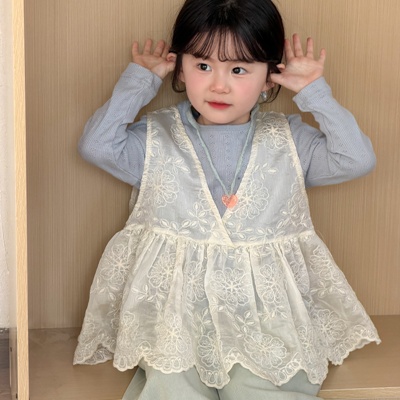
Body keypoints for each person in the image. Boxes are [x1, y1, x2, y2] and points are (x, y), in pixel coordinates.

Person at [73, 0, 380, 398]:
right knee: (172, 389)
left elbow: (356, 159)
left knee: (265, 387)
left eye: (238, 70)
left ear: (269, 77)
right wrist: (140, 82)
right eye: (202, 66)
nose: (219, 85)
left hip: (264, 318)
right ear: (179, 68)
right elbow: (97, 146)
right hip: (175, 317)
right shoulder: (156, 138)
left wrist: (313, 92)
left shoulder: (289, 140)